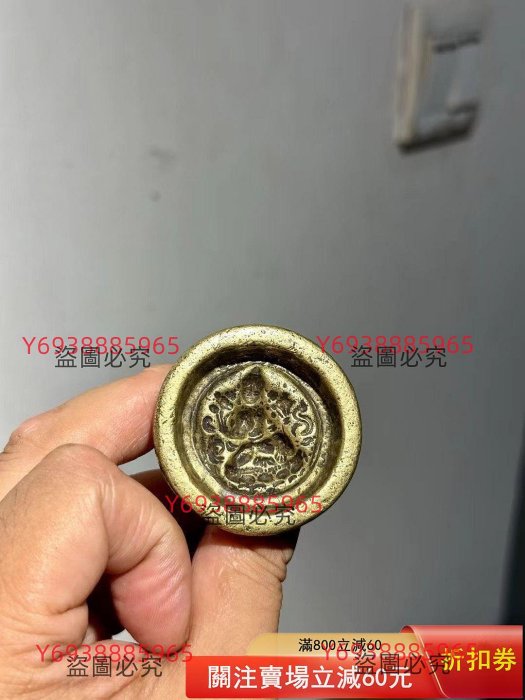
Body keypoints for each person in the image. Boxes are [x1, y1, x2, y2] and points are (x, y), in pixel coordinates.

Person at [0, 365, 297, 697]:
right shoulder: (235, 414)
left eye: (257, 392)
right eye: (248, 391)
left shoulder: (269, 419)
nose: (252, 396)